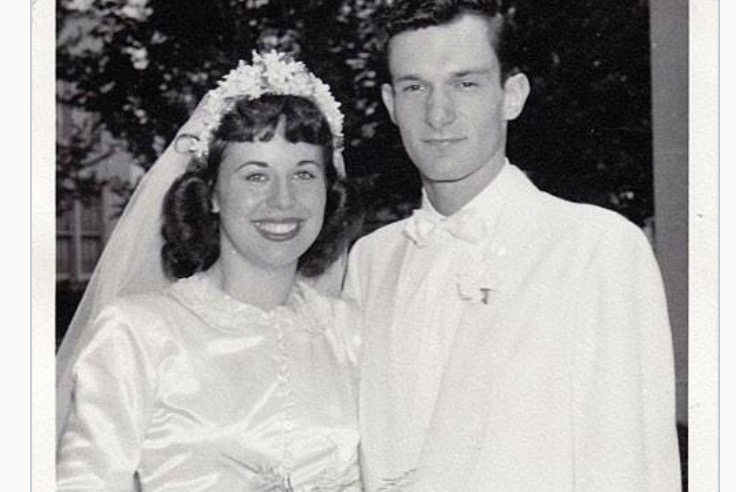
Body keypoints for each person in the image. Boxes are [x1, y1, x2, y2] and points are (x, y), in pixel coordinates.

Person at [343, 1, 682, 490]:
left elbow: (631, 467)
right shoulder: (370, 261)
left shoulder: (596, 247)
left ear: (512, 96)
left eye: (466, 84)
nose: (438, 114)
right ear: (391, 104)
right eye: (415, 87)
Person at [56, 51, 364, 491]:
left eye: (304, 174)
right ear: (212, 194)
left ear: (329, 191)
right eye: (255, 176)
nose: (283, 200)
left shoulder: (351, 331)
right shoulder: (138, 331)